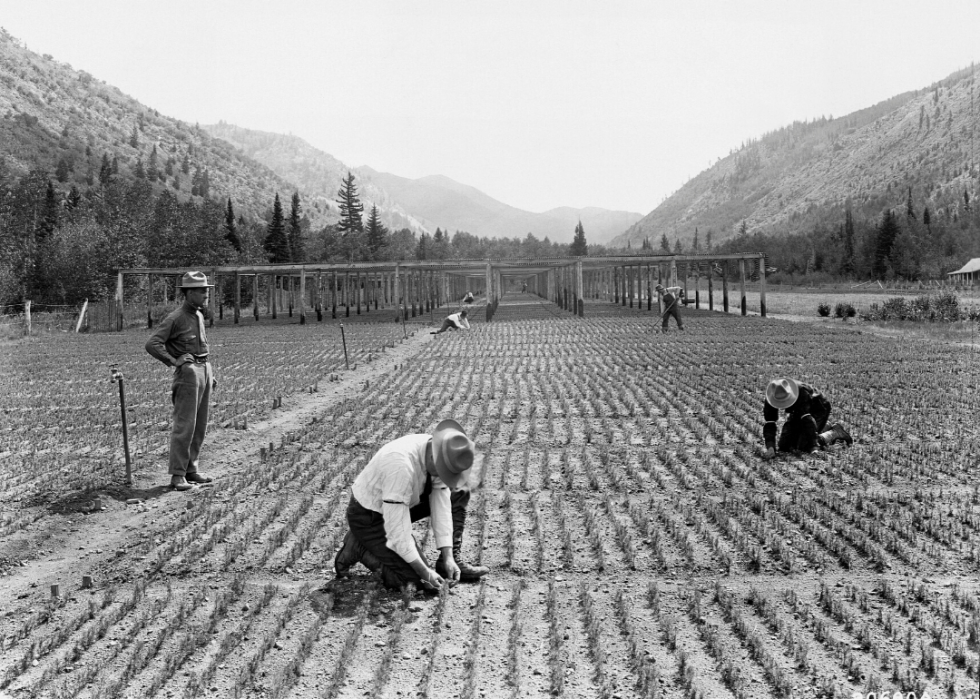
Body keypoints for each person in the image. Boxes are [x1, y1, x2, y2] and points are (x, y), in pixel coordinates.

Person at [334, 419, 490, 591]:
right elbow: (398, 531)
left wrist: (448, 556)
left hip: (402, 502)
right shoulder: (400, 467)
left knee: (458, 492)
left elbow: (442, 503)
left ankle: (445, 564)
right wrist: (424, 572)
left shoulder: (439, 449)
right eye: (444, 472)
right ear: (433, 458)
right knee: (417, 582)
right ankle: (359, 546)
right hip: (370, 516)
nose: (444, 476)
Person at [145, 271, 217, 491]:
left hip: (203, 368)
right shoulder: (175, 318)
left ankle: (191, 470)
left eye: (207, 290)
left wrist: (210, 373)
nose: (206, 294)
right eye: (202, 290)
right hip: (187, 374)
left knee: (200, 425)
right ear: (188, 293)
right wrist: (174, 361)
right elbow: (153, 344)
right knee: (185, 425)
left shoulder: (199, 315)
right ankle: (177, 475)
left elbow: (201, 346)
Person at [762, 378, 853, 459]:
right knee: (784, 446)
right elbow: (770, 423)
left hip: (818, 409)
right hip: (798, 411)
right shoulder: (772, 396)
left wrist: (813, 446)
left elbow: (807, 420)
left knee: (804, 445)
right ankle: (824, 426)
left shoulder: (802, 393)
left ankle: (835, 432)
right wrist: (770, 447)